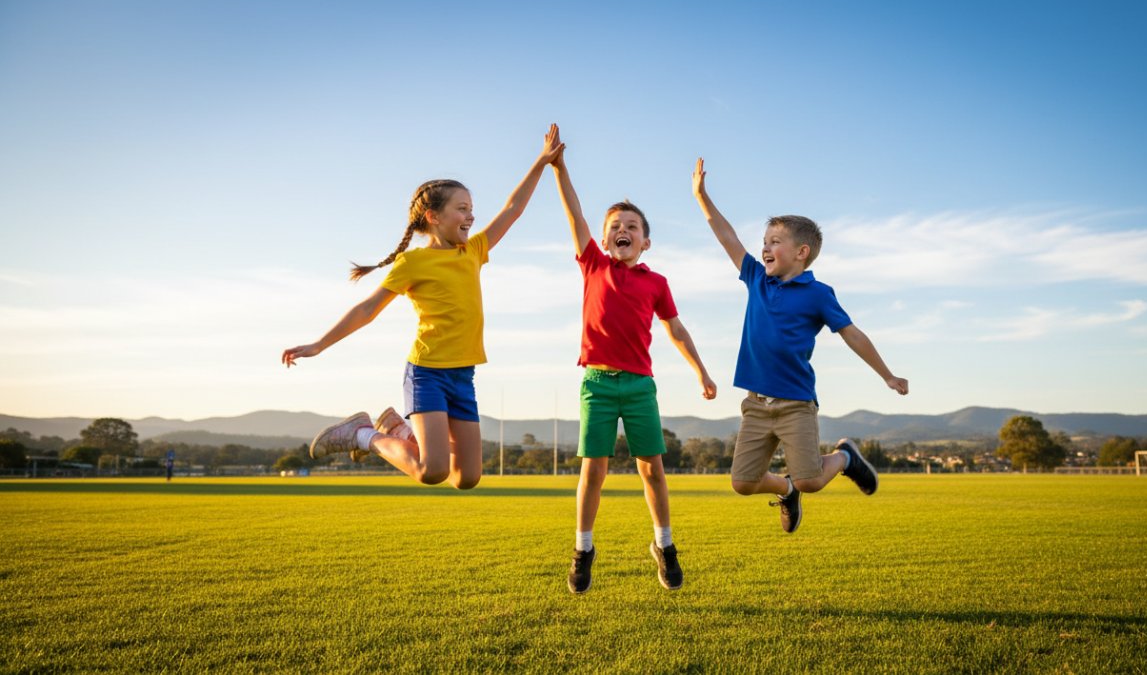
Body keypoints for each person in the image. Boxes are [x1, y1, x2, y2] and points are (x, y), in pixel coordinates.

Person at [281, 125, 565, 487]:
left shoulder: (473, 251)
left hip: (463, 375)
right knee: (432, 471)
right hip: (427, 373)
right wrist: (319, 344)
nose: (471, 216)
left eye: (471, 209)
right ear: (434, 216)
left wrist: (541, 161)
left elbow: (513, 208)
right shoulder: (412, 263)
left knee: (467, 478)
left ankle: (398, 428)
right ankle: (364, 435)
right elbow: (367, 309)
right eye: (462, 209)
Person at [691, 158, 908, 533]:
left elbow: (852, 334)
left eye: (775, 242)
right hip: (756, 405)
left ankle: (844, 457)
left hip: (795, 405)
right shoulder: (757, 279)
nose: (765, 248)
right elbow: (727, 237)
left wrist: (887, 375)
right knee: (742, 483)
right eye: (764, 242)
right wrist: (701, 196)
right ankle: (786, 489)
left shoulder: (819, 294)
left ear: (801, 252)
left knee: (811, 479)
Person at [551, 133, 717, 594]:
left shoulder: (656, 282)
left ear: (646, 241)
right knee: (594, 471)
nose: (622, 229)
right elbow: (575, 212)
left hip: (640, 385)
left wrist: (701, 371)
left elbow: (676, 331)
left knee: (652, 469)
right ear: (604, 238)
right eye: (615, 225)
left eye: (632, 226)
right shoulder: (592, 265)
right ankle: (583, 549)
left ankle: (664, 545)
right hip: (597, 384)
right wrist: (559, 169)